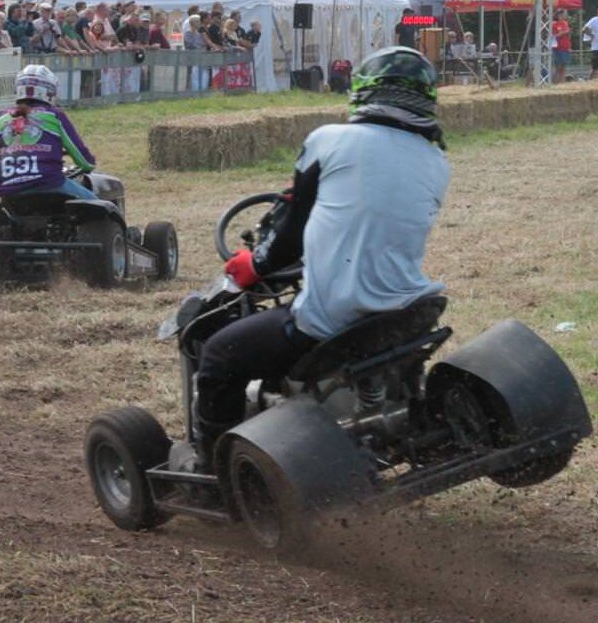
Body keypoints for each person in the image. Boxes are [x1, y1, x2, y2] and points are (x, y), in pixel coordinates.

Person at [192, 46, 450, 471]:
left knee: (219, 356)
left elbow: (291, 233)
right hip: (404, 308)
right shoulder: (437, 161)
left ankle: (214, 473)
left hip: (335, 316)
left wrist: (254, 265)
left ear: (363, 90)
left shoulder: (327, 139)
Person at [0, 65, 97, 201]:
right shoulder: (53, 115)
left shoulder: (2, 119)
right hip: (48, 183)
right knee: (101, 205)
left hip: (8, 190)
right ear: (48, 91)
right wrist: (89, 163)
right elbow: (83, 159)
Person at [551, 11, 572, 84]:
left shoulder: (566, 23)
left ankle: (562, 83)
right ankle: (555, 83)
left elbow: (568, 36)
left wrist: (569, 33)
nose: (563, 16)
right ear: (558, 15)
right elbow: (553, 36)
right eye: (561, 15)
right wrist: (563, 33)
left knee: (563, 67)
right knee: (558, 68)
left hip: (566, 47)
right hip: (558, 48)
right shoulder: (554, 24)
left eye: (564, 15)